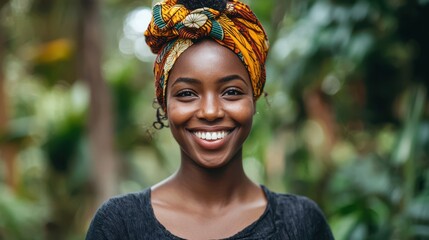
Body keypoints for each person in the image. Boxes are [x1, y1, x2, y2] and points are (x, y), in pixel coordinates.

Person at [86, 0, 334, 239]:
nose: (210, 111)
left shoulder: (301, 223)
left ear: (254, 98)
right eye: (187, 94)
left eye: (231, 92)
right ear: (165, 104)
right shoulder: (119, 226)